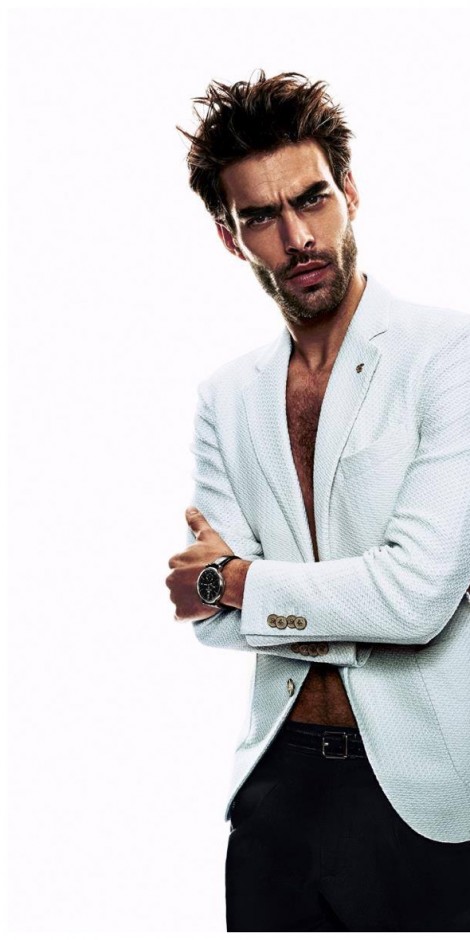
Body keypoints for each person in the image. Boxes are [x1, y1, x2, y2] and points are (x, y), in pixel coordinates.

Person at [166, 71, 470, 931]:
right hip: (277, 792)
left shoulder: (449, 355)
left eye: (313, 199)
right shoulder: (226, 396)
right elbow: (209, 619)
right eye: (262, 216)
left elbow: (416, 595)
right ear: (230, 237)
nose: (298, 237)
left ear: (351, 192)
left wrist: (239, 581)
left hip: (426, 794)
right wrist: (342, 596)